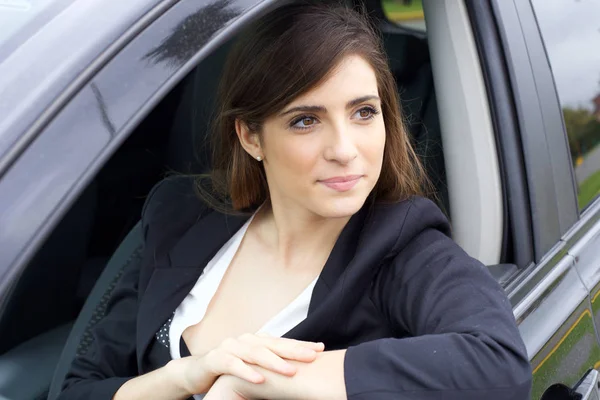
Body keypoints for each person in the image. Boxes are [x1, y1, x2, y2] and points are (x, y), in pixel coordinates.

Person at [58, 2, 532, 399]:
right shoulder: (180, 213)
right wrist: (185, 375)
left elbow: (499, 365)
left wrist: (255, 382)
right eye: (306, 120)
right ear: (250, 137)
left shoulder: (404, 247)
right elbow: (80, 388)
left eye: (364, 112)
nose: (345, 149)